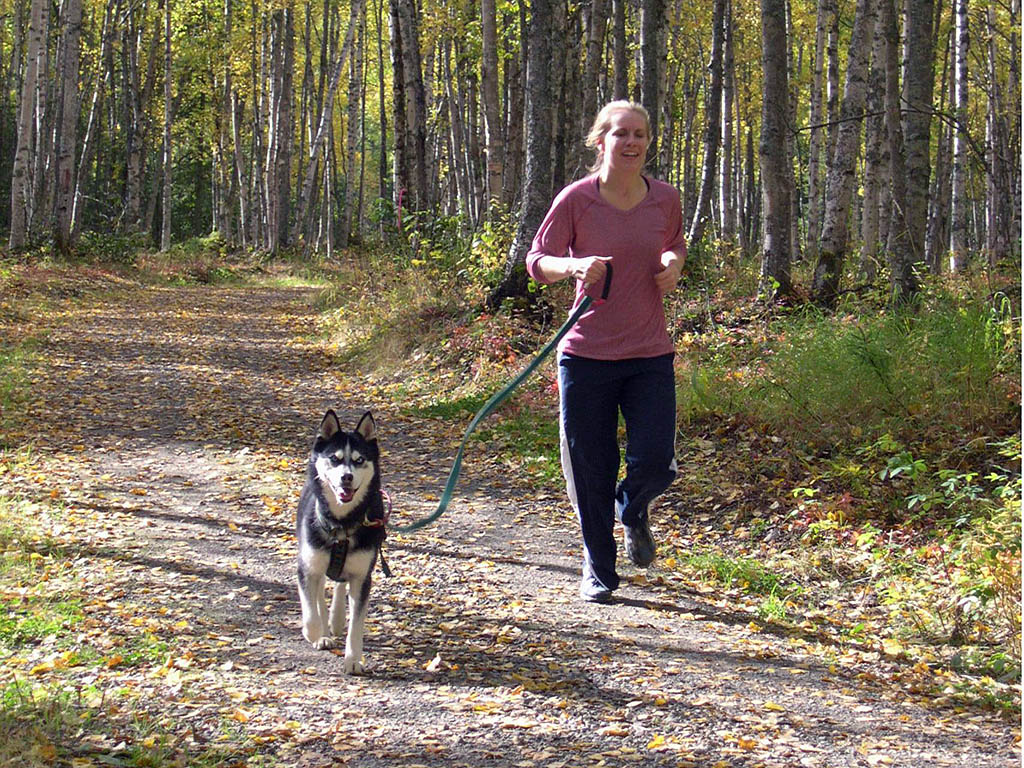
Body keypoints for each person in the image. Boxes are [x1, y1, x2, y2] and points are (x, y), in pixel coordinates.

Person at [525, 100, 686, 603]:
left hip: (648, 354)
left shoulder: (665, 198)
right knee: (590, 466)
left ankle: (633, 507)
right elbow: (536, 261)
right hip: (586, 354)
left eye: (640, 134)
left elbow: (675, 244)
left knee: (657, 461)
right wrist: (571, 267)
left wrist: (673, 261)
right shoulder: (576, 199)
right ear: (601, 142)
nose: (632, 142)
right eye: (621, 134)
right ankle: (598, 568)